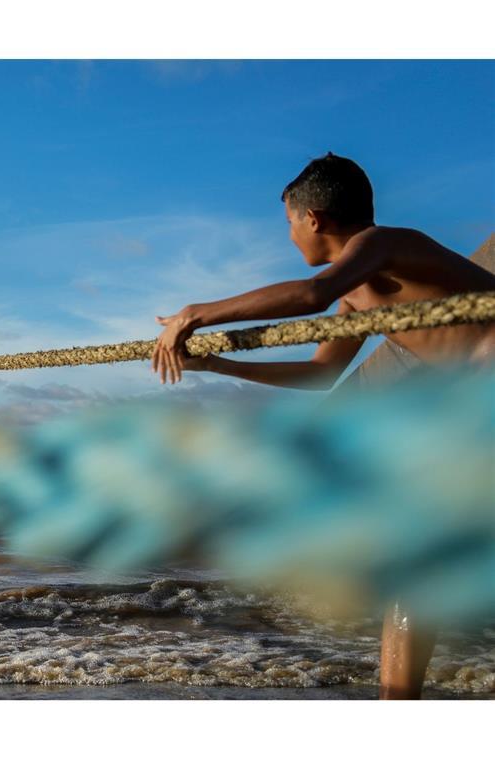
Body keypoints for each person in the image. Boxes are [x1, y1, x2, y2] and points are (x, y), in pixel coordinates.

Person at [150, 152, 495, 699]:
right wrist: (215, 363)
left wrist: (198, 311)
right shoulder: (361, 292)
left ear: (313, 219)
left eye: (288, 224)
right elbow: (319, 374)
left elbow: (312, 294)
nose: (289, 237)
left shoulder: (385, 244)